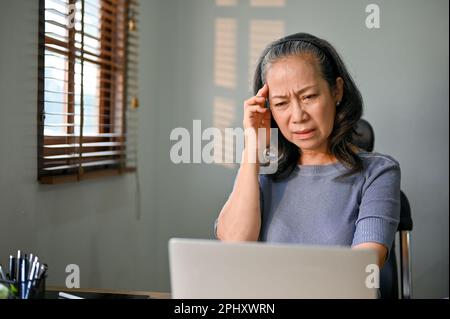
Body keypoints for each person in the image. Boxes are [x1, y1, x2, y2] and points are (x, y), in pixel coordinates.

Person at [215, 32, 400, 269]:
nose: (298, 117)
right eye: (281, 103)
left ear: (337, 91)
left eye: (309, 97)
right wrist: (253, 146)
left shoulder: (378, 172)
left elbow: (363, 269)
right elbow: (234, 249)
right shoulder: (262, 173)